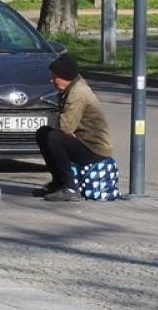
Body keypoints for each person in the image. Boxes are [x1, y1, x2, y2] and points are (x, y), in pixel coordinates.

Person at [35, 53, 113, 202]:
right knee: (43, 133)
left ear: (65, 76)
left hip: (95, 148)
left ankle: (69, 187)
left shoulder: (78, 93)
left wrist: (68, 134)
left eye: (55, 76)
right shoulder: (71, 88)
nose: (52, 80)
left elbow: (65, 128)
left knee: (54, 138)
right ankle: (57, 182)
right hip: (85, 141)